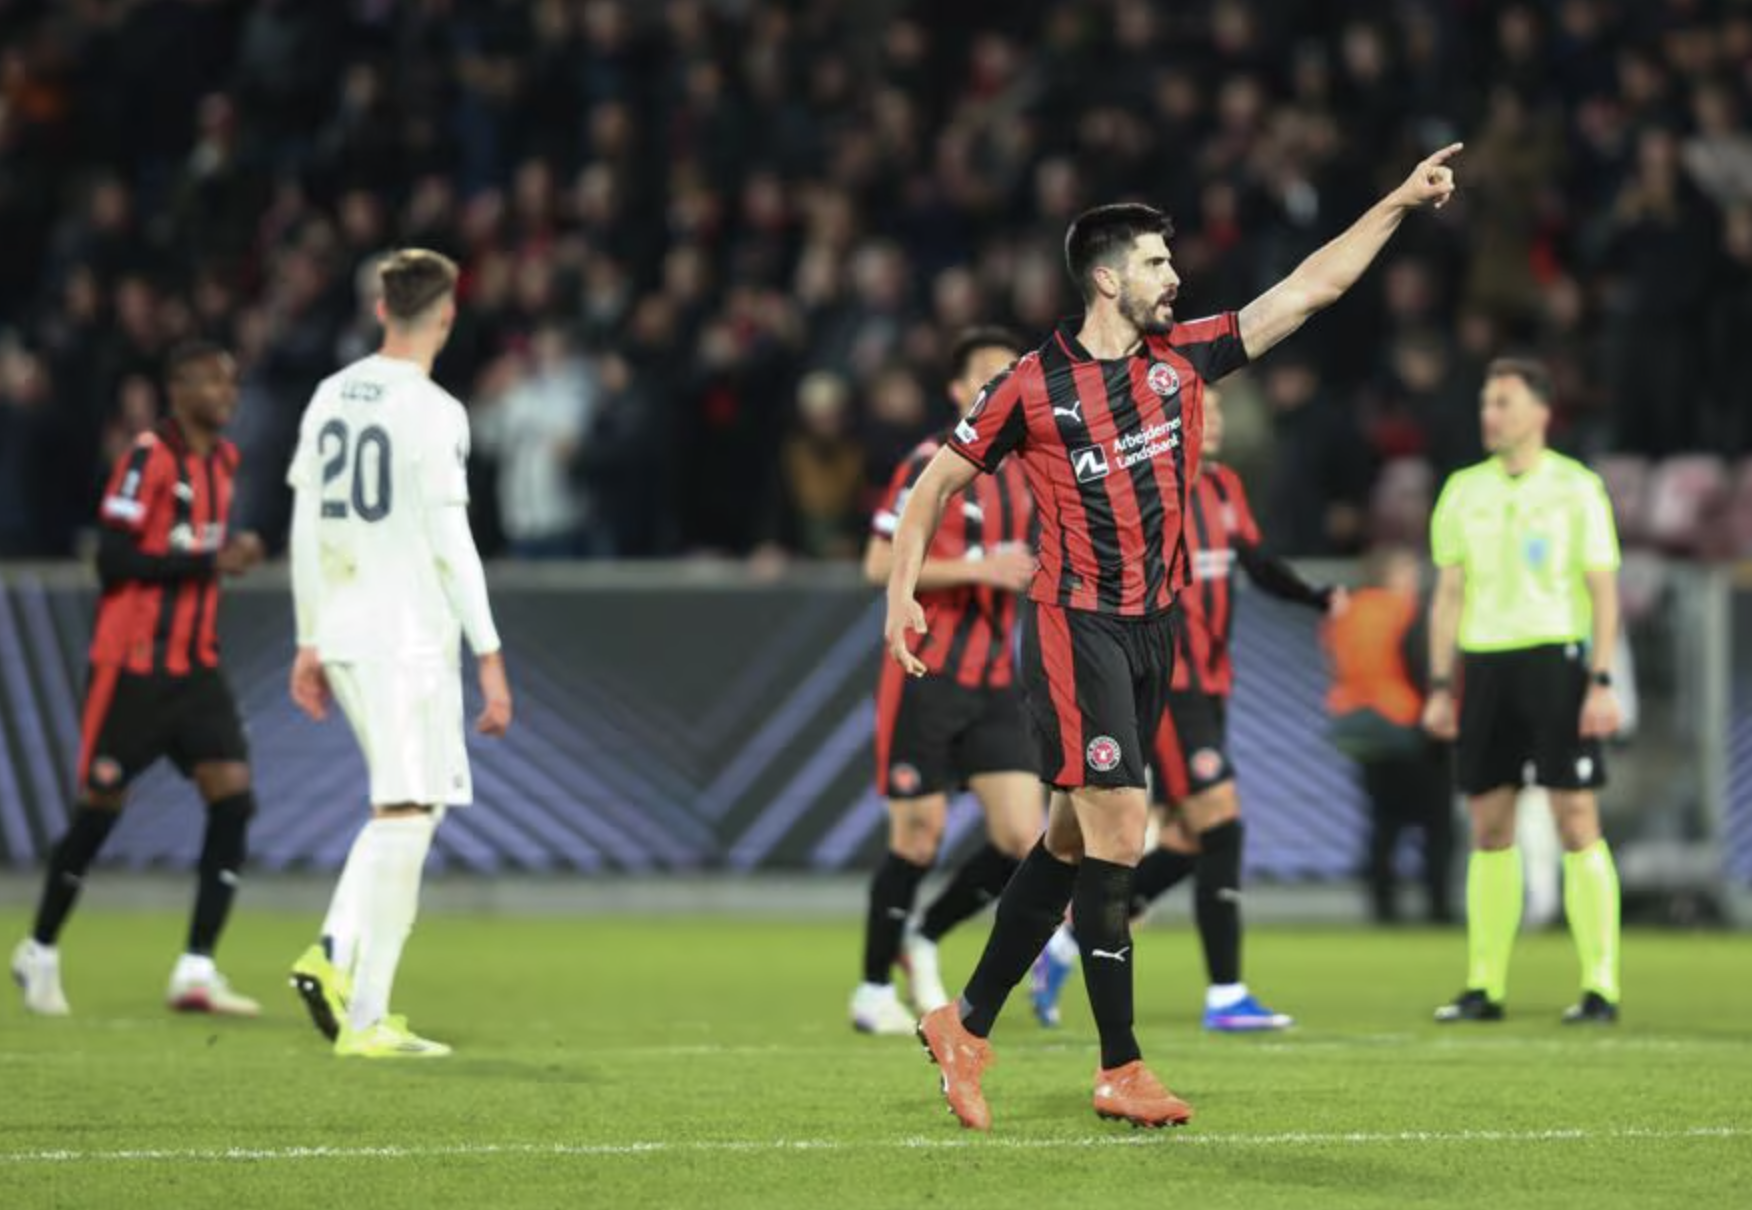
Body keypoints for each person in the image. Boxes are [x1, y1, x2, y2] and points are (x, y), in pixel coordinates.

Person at [886, 145, 1463, 1131]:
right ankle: (1120, 1065)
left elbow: (1309, 290)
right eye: (1157, 262)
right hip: (1078, 628)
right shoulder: (1031, 385)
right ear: (1108, 276)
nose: (1175, 276)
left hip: (1153, 633)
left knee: (1068, 842)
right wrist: (905, 591)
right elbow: (935, 483)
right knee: (1120, 831)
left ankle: (963, 1022)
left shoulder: (1184, 357)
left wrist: (1397, 202)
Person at [1030, 387, 1341, 1031]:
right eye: (1208, 412)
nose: (1219, 423)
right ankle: (1226, 994)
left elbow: (1255, 563)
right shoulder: (1146, 491)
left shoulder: (1224, 490)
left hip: (1214, 686)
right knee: (1222, 826)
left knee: (1190, 839)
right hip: (1169, 686)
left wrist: (1317, 597)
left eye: (1223, 412)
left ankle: (1066, 940)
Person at [284, 249, 514, 1059]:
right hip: (407, 634)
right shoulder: (436, 410)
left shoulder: (328, 395)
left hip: (346, 629)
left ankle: (345, 971)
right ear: (445, 318)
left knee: (410, 806)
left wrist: (309, 637)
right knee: (410, 812)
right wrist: (488, 652)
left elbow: (305, 529)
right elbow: (453, 542)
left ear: (382, 310)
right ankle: (357, 994)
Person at [11, 342, 266, 1017]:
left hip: (195, 666)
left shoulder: (226, 462)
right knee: (100, 810)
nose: (228, 395)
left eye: (232, 383)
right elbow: (114, 558)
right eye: (214, 382)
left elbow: (197, 554)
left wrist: (226, 554)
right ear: (178, 390)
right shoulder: (148, 459)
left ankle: (196, 968)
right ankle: (39, 947)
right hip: (132, 668)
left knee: (233, 797)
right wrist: (213, 559)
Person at [852, 327, 1042, 1034]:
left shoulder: (1030, 471)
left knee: (1025, 833)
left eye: (1008, 378)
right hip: (925, 673)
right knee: (918, 836)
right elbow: (878, 565)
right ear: (959, 393)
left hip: (997, 682)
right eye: (986, 380)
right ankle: (872, 989)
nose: (999, 391)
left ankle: (924, 933)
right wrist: (978, 569)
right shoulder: (930, 463)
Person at [1423, 356, 1624, 1025]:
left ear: (1540, 412)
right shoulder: (1462, 490)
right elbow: (1448, 596)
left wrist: (1599, 679)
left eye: (1503, 402)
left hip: (1556, 663)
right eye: (1486, 402)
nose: (1490, 414)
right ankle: (1485, 985)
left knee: (1575, 819)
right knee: (1489, 827)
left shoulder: (1577, 488)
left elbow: (1603, 592)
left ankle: (1600, 985)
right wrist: (1441, 683)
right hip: (1483, 667)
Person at [1324, 545, 1454, 925]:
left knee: (1384, 823)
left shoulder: (1346, 613)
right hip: (1407, 721)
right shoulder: (1408, 612)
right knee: (1437, 824)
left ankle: (1383, 906)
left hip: (1358, 725)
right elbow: (1422, 665)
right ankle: (1438, 906)